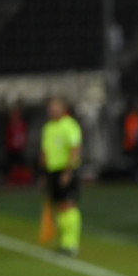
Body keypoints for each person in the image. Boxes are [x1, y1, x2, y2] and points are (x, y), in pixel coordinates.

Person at [40, 96, 82, 256]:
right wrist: (43, 173)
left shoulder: (70, 125)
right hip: (52, 171)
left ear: (63, 108)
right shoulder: (48, 127)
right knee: (58, 206)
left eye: (55, 106)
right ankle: (64, 242)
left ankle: (71, 244)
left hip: (65, 170)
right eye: (50, 107)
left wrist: (68, 171)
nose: (51, 110)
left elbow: (75, 149)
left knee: (68, 204)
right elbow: (44, 152)